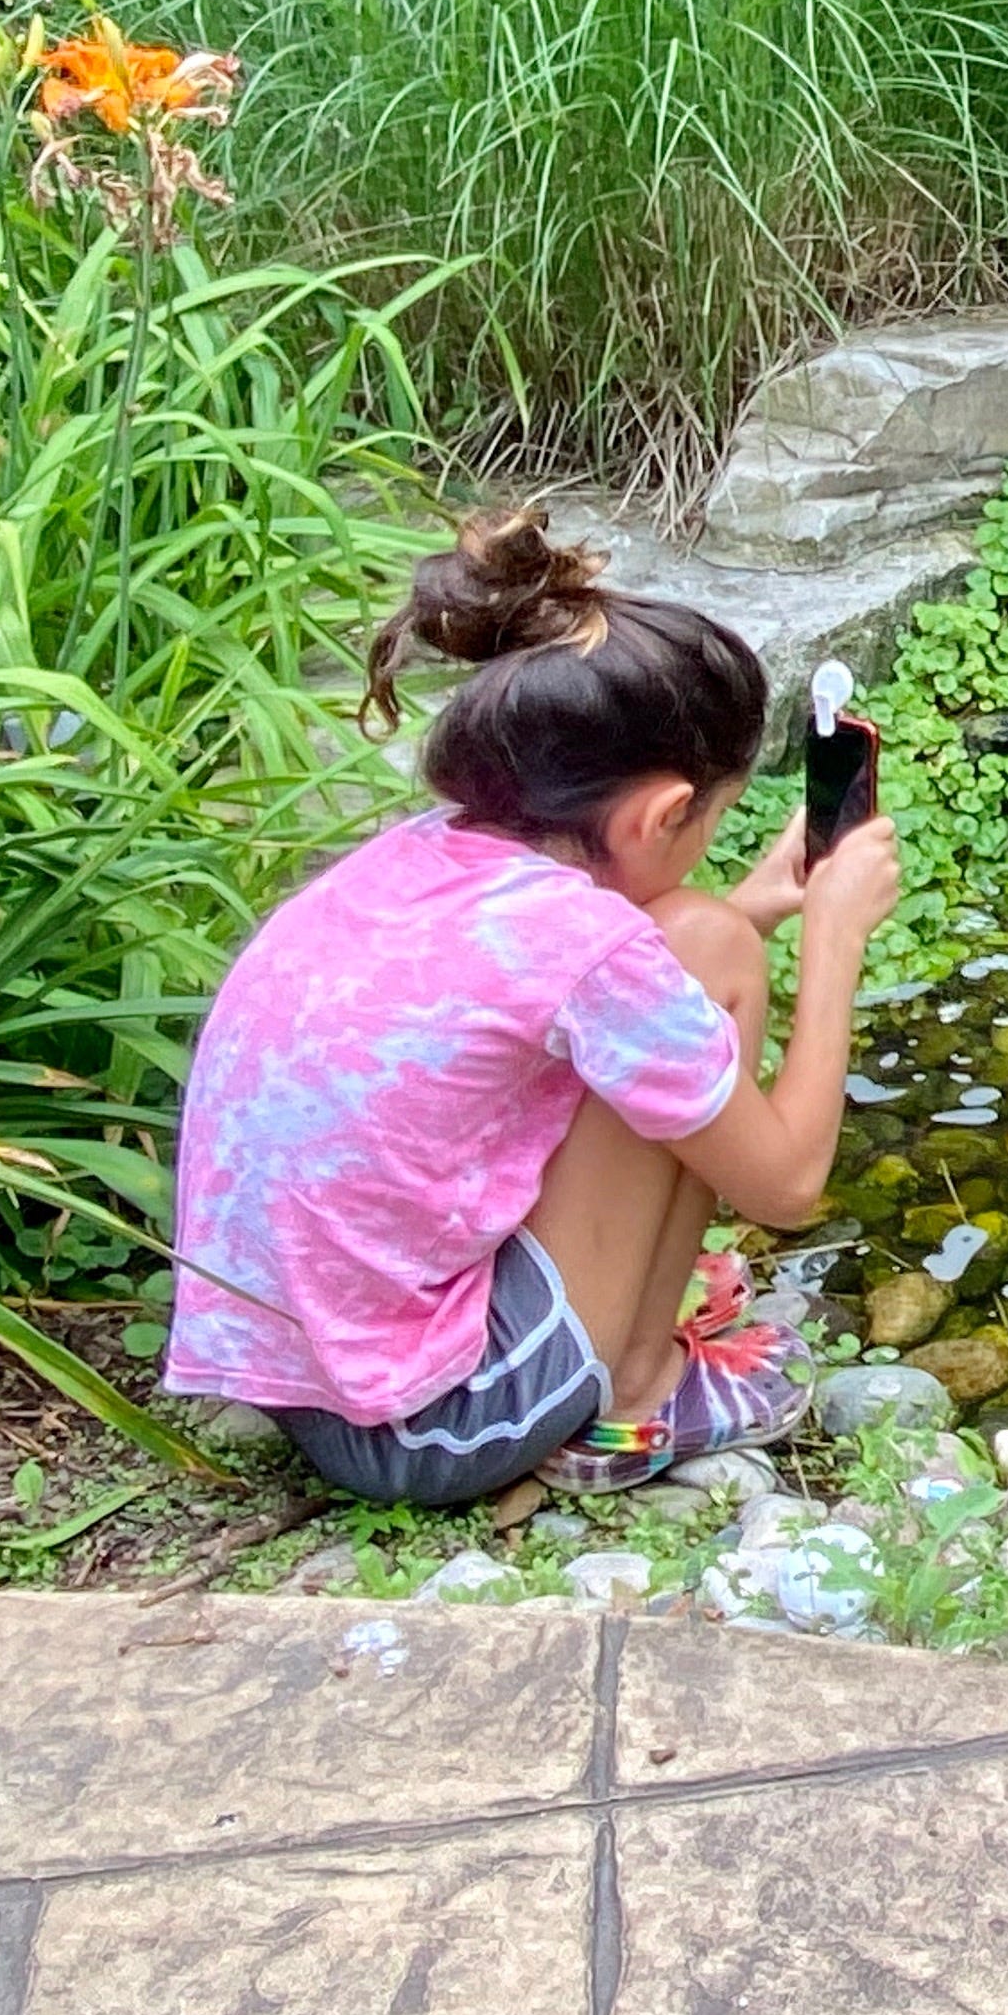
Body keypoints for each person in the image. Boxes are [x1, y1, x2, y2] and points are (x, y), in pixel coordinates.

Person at [163, 510, 904, 1506]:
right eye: (712, 819)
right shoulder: (589, 946)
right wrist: (833, 943)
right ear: (657, 815)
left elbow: (579, 997)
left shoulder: (422, 862)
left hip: (305, 1379)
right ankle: (638, 1392)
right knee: (709, 949)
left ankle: (601, 1342)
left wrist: (759, 901)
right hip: (428, 1429)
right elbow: (785, 1188)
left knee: (702, 940)